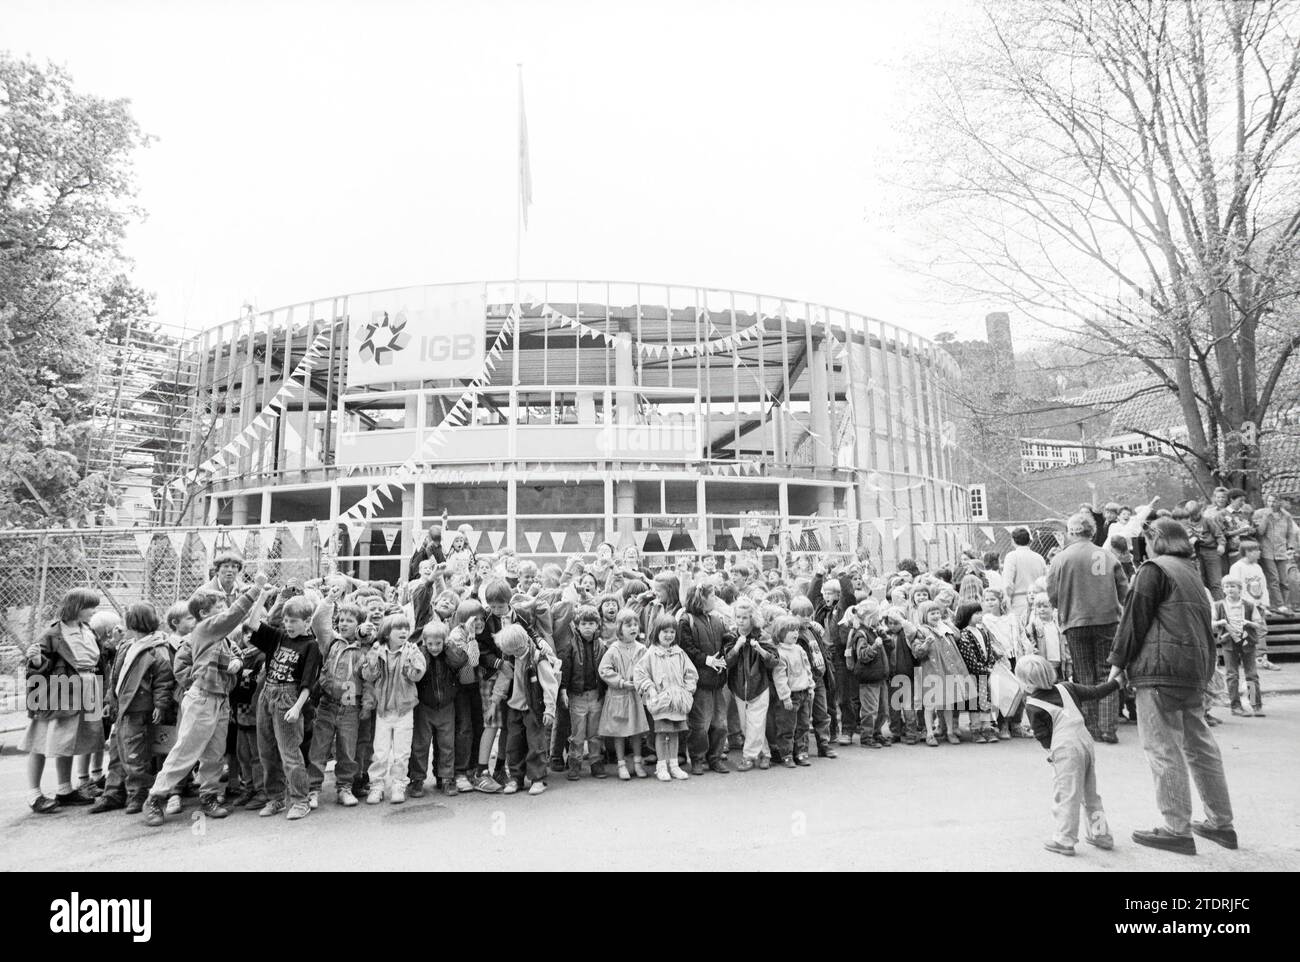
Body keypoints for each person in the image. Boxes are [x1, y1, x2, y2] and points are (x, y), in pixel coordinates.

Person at [1107, 517, 1236, 855]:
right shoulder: (1191, 572)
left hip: (1160, 671)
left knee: (1163, 748)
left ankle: (1176, 828)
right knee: (1200, 746)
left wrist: (1118, 665)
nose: (1144, 548)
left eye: (1146, 542)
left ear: (1155, 540)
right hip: (1193, 670)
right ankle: (1221, 823)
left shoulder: (1154, 569)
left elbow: (1133, 619)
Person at [142, 575, 266, 826]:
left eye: (223, 607)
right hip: (202, 699)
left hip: (221, 700)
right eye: (218, 608)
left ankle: (209, 795)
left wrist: (236, 664)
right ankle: (155, 796)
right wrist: (256, 589)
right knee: (186, 750)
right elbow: (234, 615)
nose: (224, 612)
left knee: (214, 754)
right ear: (203, 613)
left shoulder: (222, 639)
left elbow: (238, 654)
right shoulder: (205, 629)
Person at [1016, 655, 1117, 856]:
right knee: (1090, 794)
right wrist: (1116, 682)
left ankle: (1064, 839)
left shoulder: (1033, 705)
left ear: (1027, 683)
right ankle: (1101, 834)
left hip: (1065, 750)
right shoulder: (1067, 687)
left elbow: (1043, 737)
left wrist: (1051, 754)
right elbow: (1096, 692)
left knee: (1067, 794)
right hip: (1086, 743)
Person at [21, 588, 108, 812]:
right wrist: (38, 660)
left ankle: (64, 789)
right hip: (59, 692)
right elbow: (35, 666)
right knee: (41, 740)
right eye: (90, 607)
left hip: (86, 687)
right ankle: (34, 794)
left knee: (67, 741)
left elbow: (98, 659)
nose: (93, 611)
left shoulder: (87, 629)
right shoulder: (53, 633)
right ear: (77, 607)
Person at [1047, 512, 1129, 744]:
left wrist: (1063, 606)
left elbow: (1052, 592)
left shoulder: (1061, 559)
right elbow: (1124, 590)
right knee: (1107, 673)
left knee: (1084, 675)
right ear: (1093, 532)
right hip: (1107, 620)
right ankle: (1108, 728)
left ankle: (1091, 726)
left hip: (1075, 621)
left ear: (1071, 532)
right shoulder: (1107, 556)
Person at [247, 592, 329, 819]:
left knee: (290, 753)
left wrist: (297, 708)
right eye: (286, 620)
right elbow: (252, 624)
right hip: (267, 694)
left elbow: (307, 683)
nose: (289, 625)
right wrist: (262, 595)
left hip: (289, 697)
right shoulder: (279, 637)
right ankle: (275, 799)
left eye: (294, 621)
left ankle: (300, 800)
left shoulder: (311, 646)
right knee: (266, 752)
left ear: (306, 621)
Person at [89, 603, 175, 815]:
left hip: (139, 709)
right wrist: (110, 701)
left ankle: (138, 794)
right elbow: (115, 678)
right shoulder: (127, 646)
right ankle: (113, 793)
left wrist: (160, 705)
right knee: (117, 752)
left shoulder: (157, 648)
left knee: (136, 754)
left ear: (133, 622)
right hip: (122, 708)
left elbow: (163, 681)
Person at [361, 614, 426, 804]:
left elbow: (416, 676)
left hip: (404, 710)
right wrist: (371, 659)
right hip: (383, 710)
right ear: (387, 633)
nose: (404, 632)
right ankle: (377, 786)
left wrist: (414, 660)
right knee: (380, 752)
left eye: (406, 628)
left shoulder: (411, 650)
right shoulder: (378, 650)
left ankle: (398, 785)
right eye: (399, 628)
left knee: (401, 752)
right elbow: (368, 676)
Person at [307, 600, 367, 808]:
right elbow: (317, 623)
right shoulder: (332, 641)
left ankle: (344, 787)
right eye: (341, 620)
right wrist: (328, 600)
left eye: (349, 621)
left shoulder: (366, 646)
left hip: (351, 707)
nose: (343, 624)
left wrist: (366, 634)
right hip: (327, 705)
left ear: (359, 624)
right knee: (319, 749)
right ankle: (313, 789)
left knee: (347, 751)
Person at [494, 623, 560, 796]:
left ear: (522, 643)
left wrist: (549, 709)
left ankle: (538, 779)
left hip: (534, 708)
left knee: (535, 744)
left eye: (514, 650)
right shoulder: (510, 657)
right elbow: (504, 677)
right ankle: (516, 778)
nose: (512, 654)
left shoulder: (538, 659)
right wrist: (495, 698)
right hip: (514, 707)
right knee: (513, 744)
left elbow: (550, 685)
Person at [677, 582, 734, 774]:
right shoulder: (686, 620)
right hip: (700, 682)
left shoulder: (717, 619)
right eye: (712, 596)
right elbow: (686, 649)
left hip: (717, 681)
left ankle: (715, 757)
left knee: (720, 724)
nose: (715, 600)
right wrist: (708, 660)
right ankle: (698, 758)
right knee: (700, 725)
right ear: (701, 598)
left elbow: (725, 641)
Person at [634, 614, 699, 781]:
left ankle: (674, 765)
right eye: (665, 632)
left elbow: (691, 673)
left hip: (677, 701)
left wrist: (687, 690)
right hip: (661, 701)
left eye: (672, 632)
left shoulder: (680, 653)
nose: (669, 635)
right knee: (662, 733)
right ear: (657, 632)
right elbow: (640, 673)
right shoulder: (651, 654)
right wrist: (650, 688)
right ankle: (661, 766)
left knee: (676, 733)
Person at [408, 620, 467, 796]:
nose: (434, 648)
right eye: (430, 644)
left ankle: (446, 777)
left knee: (446, 744)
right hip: (424, 706)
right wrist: (423, 650)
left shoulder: (448, 654)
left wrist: (448, 647)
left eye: (438, 643)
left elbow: (460, 661)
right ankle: (417, 779)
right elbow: (420, 668)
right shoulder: (421, 653)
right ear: (425, 641)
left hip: (446, 706)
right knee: (420, 744)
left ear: (445, 641)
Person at [725, 598, 777, 771]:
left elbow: (773, 661)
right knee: (746, 725)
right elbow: (727, 661)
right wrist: (736, 647)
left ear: (752, 618)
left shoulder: (762, 636)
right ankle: (765, 753)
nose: (741, 621)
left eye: (745, 617)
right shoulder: (732, 636)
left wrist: (760, 650)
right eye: (738, 617)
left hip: (759, 686)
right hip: (739, 687)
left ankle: (748, 757)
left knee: (756, 722)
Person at [598, 608, 650, 780]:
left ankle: (637, 762)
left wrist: (641, 682)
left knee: (636, 730)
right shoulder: (613, 649)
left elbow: (648, 668)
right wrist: (620, 682)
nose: (633, 628)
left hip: (635, 696)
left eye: (635, 624)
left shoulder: (642, 649)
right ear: (619, 628)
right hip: (618, 695)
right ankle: (621, 764)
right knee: (619, 731)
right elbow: (604, 670)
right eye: (628, 625)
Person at [559, 605, 609, 780]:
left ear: (597, 625)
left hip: (596, 695)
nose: (587, 627)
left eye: (591, 623)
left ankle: (596, 762)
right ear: (577, 625)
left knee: (595, 733)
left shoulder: (602, 646)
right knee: (577, 734)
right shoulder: (570, 645)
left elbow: (606, 669)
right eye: (584, 623)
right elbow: (565, 669)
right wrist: (563, 690)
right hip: (577, 696)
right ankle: (575, 762)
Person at [1211, 576, 1265, 718]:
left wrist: (1248, 623)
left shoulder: (1249, 605)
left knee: (1251, 674)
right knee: (1232, 675)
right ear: (1223, 589)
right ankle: (1235, 706)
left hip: (1247, 640)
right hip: (1229, 642)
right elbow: (1211, 623)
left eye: (1233, 586)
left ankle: (1255, 705)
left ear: (1240, 589)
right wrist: (1220, 622)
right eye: (1227, 587)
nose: (1230, 589)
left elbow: (1259, 624)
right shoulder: (1219, 606)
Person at [843, 601, 891, 750]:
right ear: (870, 617)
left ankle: (877, 733)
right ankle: (866, 736)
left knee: (883, 709)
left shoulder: (874, 631)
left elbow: (890, 646)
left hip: (880, 677)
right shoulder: (861, 634)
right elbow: (863, 656)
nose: (879, 620)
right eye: (877, 617)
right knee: (870, 710)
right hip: (869, 678)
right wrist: (875, 646)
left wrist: (883, 634)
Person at [770, 615, 815, 767]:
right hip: (791, 696)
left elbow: (807, 668)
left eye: (796, 630)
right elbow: (780, 677)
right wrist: (785, 697)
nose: (795, 633)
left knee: (803, 725)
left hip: (803, 693)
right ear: (780, 633)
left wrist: (810, 685)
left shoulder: (799, 649)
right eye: (790, 630)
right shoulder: (780, 653)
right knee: (787, 726)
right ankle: (786, 754)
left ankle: (801, 752)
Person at [1252, 493, 1298, 614]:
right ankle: (1278, 605)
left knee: (1284, 580)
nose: (1271, 504)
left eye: (1274, 501)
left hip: (1282, 551)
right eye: (1269, 501)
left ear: (1279, 502)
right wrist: (1266, 517)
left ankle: (1286, 604)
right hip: (1267, 551)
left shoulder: (1287, 516)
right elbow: (1260, 533)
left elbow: (1290, 534)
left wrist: (1291, 547)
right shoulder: (1260, 513)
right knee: (1273, 579)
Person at [1002, 527, 1047, 619]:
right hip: (1038, 602)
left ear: (1013, 540)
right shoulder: (1039, 557)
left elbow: (1007, 584)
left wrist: (1007, 601)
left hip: (1018, 603)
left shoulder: (1011, 556)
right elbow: (1045, 580)